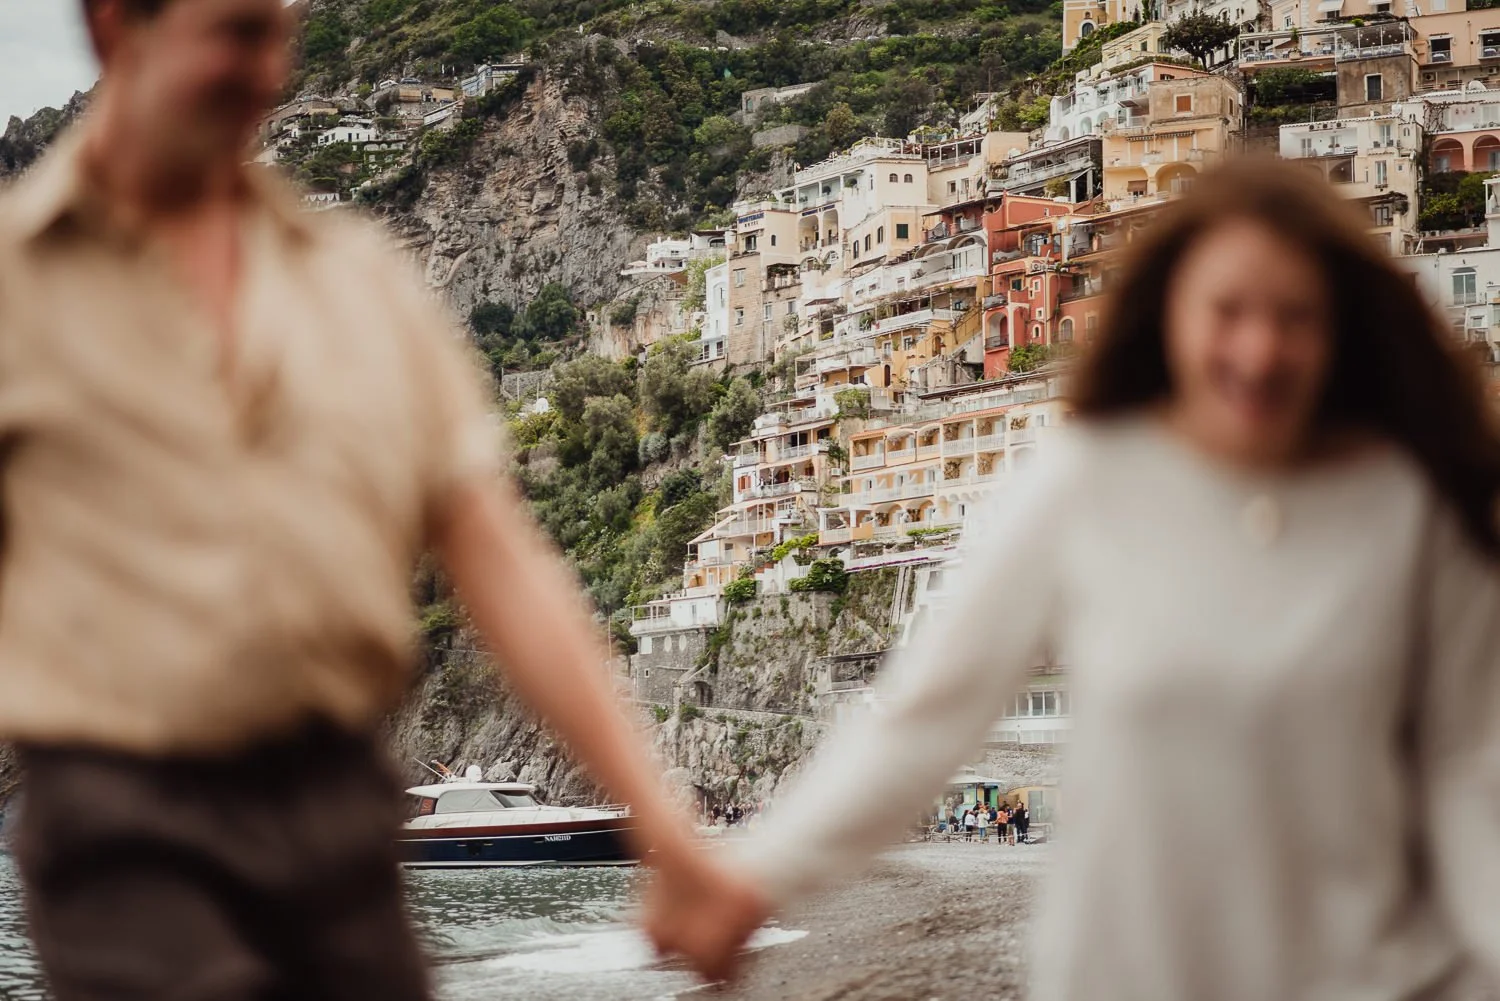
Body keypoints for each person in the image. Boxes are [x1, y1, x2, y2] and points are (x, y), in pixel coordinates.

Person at [0, 2, 751, 998]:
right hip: (126, 820)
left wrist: (667, 832)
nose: (264, 71)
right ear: (113, 28)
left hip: (343, 815)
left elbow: (505, 567)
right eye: (231, 33)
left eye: (276, 35)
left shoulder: (364, 285)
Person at [646, 159, 1500, 999]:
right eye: (1227, 310)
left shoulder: (1409, 510)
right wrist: (751, 878)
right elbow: (921, 722)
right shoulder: (1085, 485)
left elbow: (1470, 774)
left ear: (1340, 328)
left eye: (1295, 316)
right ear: (1171, 314)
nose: (1259, 348)